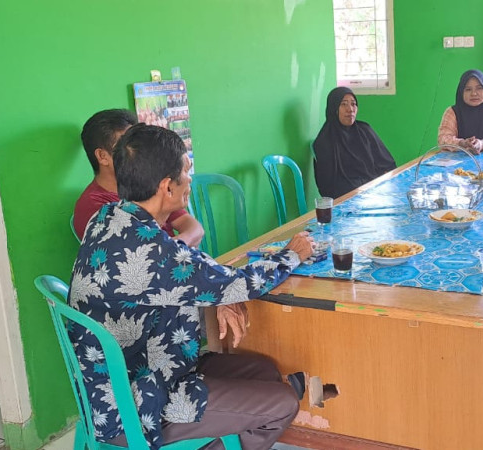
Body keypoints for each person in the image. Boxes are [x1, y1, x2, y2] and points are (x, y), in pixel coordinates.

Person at [68, 124, 314, 449]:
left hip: (141, 368)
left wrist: (217, 295)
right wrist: (292, 255)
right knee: (282, 402)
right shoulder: (153, 253)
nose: (191, 179)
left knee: (263, 370)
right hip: (136, 405)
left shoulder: (106, 218)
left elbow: (190, 273)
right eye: (187, 171)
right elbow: (242, 282)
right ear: (167, 187)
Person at [73, 109, 204, 247]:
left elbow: (195, 229)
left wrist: (175, 248)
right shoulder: (93, 208)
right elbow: (132, 255)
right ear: (102, 156)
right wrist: (173, 251)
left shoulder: (148, 182)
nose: (139, 151)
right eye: (125, 145)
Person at [313, 87, 397, 199]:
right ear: (334, 108)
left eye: (353, 104)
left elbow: (388, 164)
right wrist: (362, 191)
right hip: (348, 199)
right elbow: (328, 187)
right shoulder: (325, 141)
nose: (350, 109)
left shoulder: (364, 130)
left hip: (375, 191)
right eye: (343, 104)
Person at [437, 69, 483, 153]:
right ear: (461, 92)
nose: (474, 94)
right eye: (468, 89)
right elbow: (443, 138)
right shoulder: (452, 112)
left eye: (479, 88)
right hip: (458, 163)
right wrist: (462, 143)